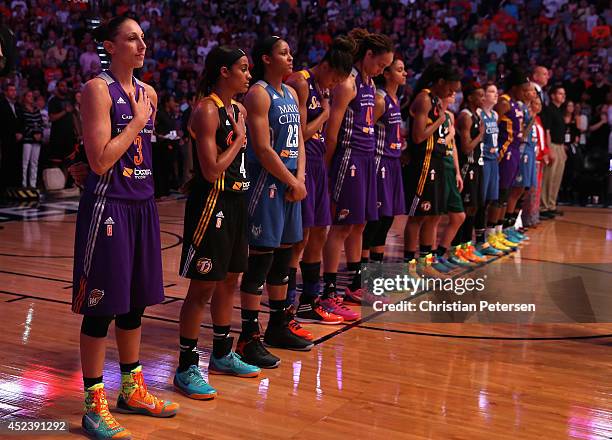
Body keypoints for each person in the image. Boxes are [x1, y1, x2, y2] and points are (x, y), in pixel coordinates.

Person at [72, 17, 178, 440]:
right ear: (110, 46)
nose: (141, 44)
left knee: (135, 304)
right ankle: (93, 405)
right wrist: (135, 123)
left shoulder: (149, 92)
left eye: (143, 38)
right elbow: (98, 161)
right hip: (108, 207)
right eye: (131, 38)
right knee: (102, 307)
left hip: (142, 204)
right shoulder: (97, 89)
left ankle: (132, 389)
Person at [174, 45, 260, 401]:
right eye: (242, 68)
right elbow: (209, 170)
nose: (248, 74)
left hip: (238, 201)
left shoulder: (238, 108)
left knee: (230, 281)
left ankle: (223, 354)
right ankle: (186, 365)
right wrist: (240, 139)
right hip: (212, 203)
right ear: (223, 71)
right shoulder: (206, 110)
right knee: (202, 289)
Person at [236, 36, 312, 370]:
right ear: (266, 59)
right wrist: (291, 180)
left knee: (284, 257)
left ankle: (278, 326)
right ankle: (249, 336)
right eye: (284, 52)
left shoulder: (292, 93)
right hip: (266, 183)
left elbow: (302, 143)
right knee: (260, 262)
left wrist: (301, 178)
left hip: (290, 183)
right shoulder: (258, 93)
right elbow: (264, 149)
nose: (290, 56)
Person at [284, 36, 354, 325]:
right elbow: (299, 133)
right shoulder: (300, 81)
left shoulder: (320, 87)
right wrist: (326, 114)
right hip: (301, 164)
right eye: (335, 77)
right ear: (325, 66)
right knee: (298, 240)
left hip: (317, 166)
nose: (335, 85)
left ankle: (310, 300)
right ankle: (287, 304)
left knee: (319, 233)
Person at [322, 29, 394, 305]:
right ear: (367, 55)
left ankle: (355, 285)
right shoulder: (348, 83)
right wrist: (327, 168)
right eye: (380, 64)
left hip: (367, 159)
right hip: (348, 157)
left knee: (360, 224)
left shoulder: (370, 85)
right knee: (341, 226)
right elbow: (332, 130)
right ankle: (329, 290)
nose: (381, 70)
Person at [402, 63, 461, 274]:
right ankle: (407, 267)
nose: (452, 93)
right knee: (417, 217)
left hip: (435, 162)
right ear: (441, 82)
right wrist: (440, 121)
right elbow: (418, 136)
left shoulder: (435, 100)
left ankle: (425, 264)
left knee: (432, 215)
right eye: (451, 89)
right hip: (422, 164)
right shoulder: (424, 98)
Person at [361, 58, 408, 267]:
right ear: (387, 74)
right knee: (376, 218)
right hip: (379, 161)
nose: (405, 73)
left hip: (394, 162)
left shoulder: (396, 99)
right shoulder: (380, 99)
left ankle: (375, 269)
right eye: (399, 70)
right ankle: (361, 272)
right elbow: (367, 129)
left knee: (387, 218)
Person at [488, 69, 530, 248]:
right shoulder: (503, 102)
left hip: (514, 150)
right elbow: (491, 126)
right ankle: (490, 235)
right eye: (523, 89)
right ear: (514, 88)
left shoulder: (515, 103)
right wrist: (495, 150)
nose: (525, 92)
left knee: (505, 195)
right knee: (501, 194)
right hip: (505, 152)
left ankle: (500, 231)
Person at [480, 83, 508, 253]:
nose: (495, 95)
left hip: (493, 160)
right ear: (483, 96)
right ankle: (480, 238)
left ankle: (489, 235)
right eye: (491, 92)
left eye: (496, 92)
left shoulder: (495, 114)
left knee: (491, 199)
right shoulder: (479, 114)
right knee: (480, 202)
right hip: (483, 159)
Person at [540, 85, 567, 218]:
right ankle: (543, 206)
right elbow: (547, 131)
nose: (563, 96)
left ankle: (551, 204)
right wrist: (549, 149)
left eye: (564, 94)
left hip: (560, 146)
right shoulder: (549, 110)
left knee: (556, 178)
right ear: (552, 95)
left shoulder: (559, 110)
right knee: (548, 177)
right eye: (560, 93)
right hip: (553, 145)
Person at [18, 89, 43, 188]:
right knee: (25, 162)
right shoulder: (22, 110)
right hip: (27, 139)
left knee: (34, 162)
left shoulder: (36, 110)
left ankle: (33, 184)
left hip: (37, 140)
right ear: (24, 98)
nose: (31, 98)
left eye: (32, 96)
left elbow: (41, 123)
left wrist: (39, 133)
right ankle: (24, 184)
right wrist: (33, 133)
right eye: (28, 96)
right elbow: (24, 125)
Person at [0, 83, 21, 191]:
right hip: (6, 138)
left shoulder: (17, 105)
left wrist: (20, 132)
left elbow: (21, 121)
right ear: (5, 92)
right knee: (6, 162)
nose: (13, 92)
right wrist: (13, 133)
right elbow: (3, 122)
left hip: (18, 139)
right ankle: (5, 186)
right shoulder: (2, 104)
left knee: (16, 162)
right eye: (11, 90)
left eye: (14, 90)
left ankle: (14, 185)